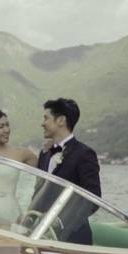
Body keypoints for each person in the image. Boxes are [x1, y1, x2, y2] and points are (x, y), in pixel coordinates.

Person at [36, 97, 101, 244]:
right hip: (41, 235)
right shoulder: (45, 153)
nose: (42, 123)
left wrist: (61, 222)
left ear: (60, 121)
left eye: (46, 118)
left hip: (73, 238)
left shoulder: (84, 153)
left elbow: (93, 199)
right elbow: (39, 192)